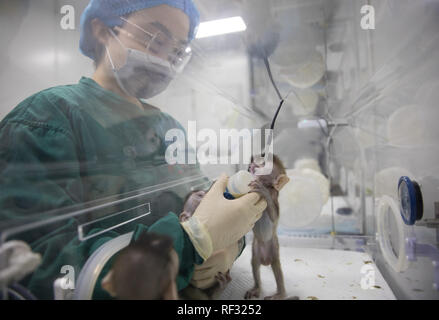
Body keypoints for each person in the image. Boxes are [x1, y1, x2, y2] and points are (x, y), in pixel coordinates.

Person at [0, 0, 266, 299]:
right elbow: (41, 268)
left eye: (177, 51)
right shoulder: (46, 119)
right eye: (155, 39)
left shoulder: (169, 129)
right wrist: (189, 244)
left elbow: (210, 207)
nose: (165, 59)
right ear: (102, 30)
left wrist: (229, 245)